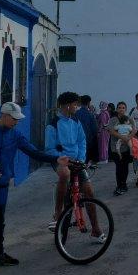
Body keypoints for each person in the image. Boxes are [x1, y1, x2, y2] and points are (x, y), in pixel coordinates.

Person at [0, 103, 68, 266]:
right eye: (14, 119)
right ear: (5, 116)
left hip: (1, 183)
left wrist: (55, 159)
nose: (17, 122)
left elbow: (33, 151)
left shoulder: (15, 134)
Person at [46, 92, 106, 242]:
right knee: (65, 175)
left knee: (89, 192)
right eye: (75, 104)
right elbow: (49, 148)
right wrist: (62, 159)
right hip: (61, 160)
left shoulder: (76, 121)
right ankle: (58, 213)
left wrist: (80, 159)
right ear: (67, 105)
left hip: (77, 161)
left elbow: (82, 141)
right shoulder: (53, 124)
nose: (77, 107)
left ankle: (96, 229)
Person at [108, 102, 134, 195]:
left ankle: (124, 184)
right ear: (117, 109)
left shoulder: (129, 119)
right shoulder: (113, 120)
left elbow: (134, 130)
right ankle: (119, 185)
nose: (121, 109)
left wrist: (128, 137)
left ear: (126, 109)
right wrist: (122, 137)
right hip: (116, 148)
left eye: (123, 107)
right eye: (119, 107)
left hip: (127, 147)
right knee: (119, 167)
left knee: (125, 166)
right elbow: (111, 131)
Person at [74, 95, 100, 164]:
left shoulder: (76, 113)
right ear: (88, 103)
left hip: (76, 139)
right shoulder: (90, 115)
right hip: (88, 139)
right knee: (85, 159)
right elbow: (95, 129)